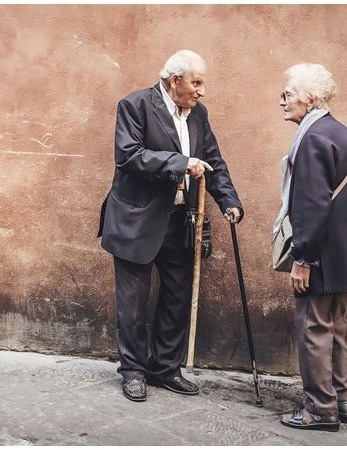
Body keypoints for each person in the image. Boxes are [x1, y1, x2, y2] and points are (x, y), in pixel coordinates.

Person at [98, 49, 244, 402]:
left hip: (180, 221)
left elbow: (213, 160)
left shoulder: (199, 114)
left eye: (202, 83)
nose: (202, 90)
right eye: (196, 82)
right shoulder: (135, 105)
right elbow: (129, 156)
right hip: (136, 220)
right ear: (174, 80)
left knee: (177, 298)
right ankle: (133, 371)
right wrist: (180, 163)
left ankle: (165, 368)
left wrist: (230, 201)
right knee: (132, 303)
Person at [275, 63, 347, 431]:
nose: (282, 100)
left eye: (288, 94)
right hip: (344, 256)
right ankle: (342, 399)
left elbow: (312, 205)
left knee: (314, 328)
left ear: (310, 98)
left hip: (320, 256)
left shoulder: (313, 137)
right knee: (337, 327)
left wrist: (303, 258)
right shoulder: (343, 132)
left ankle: (320, 409)